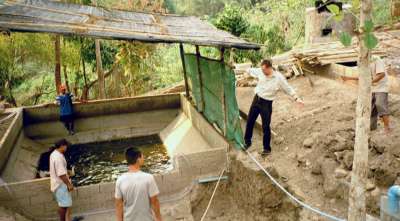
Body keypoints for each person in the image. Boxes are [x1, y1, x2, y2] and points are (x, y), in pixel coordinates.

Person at [244, 59, 304, 156]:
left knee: (265, 126)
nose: (262, 71)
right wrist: (246, 71)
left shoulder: (279, 78)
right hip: (257, 99)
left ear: (269, 68)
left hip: (267, 103)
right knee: (250, 121)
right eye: (261, 69)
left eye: (264, 70)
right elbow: (250, 70)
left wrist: (297, 98)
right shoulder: (260, 71)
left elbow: (288, 88)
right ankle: (247, 142)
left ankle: (266, 148)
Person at [342, 56, 392, 134]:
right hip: (372, 88)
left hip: (381, 87)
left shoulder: (376, 59)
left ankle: (387, 127)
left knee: (380, 104)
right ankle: (372, 127)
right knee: (371, 108)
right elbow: (363, 77)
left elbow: (382, 74)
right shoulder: (365, 63)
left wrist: (369, 83)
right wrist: (348, 78)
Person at [115, 148, 162, 221]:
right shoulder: (148, 178)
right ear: (138, 159)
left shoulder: (120, 180)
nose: (144, 158)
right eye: (142, 156)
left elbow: (119, 205)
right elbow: (154, 202)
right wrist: (159, 219)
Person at [50, 139, 74, 221]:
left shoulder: (54, 154)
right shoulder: (58, 158)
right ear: (62, 146)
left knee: (63, 204)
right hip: (60, 185)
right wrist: (69, 184)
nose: (67, 147)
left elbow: (59, 170)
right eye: (66, 145)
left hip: (57, 183)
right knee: (64, 206)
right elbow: (61, 175)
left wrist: (66, 171)